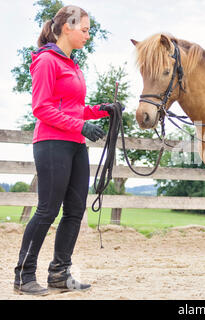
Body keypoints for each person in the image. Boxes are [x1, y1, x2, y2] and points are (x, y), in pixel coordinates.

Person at [13, 5, 121, 295]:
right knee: (47, 210)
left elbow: (74, 108)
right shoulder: (47, 61)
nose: (88, 35)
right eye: (84, 30)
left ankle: (60, 273)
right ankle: (23, 275)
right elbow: (42, 108)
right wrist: (80, 126)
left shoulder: (73, 65)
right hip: (51, 143)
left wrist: (100, 111)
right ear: (66, 28)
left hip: (74, 144)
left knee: (74, 210)